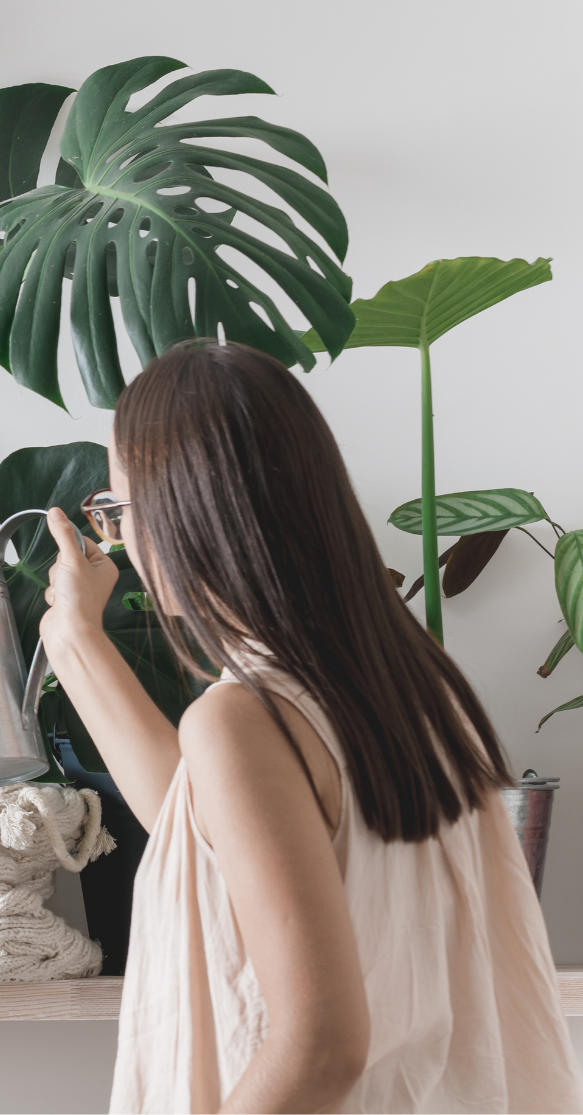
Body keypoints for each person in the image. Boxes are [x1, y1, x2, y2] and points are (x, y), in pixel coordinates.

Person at [39, 340, 580, 1114]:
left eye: (119, 512)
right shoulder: (418, 691)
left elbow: (321, 1046)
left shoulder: (246, 718)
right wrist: (76, 643)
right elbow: (205, 838)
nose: (120, 539)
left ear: (181, 510)